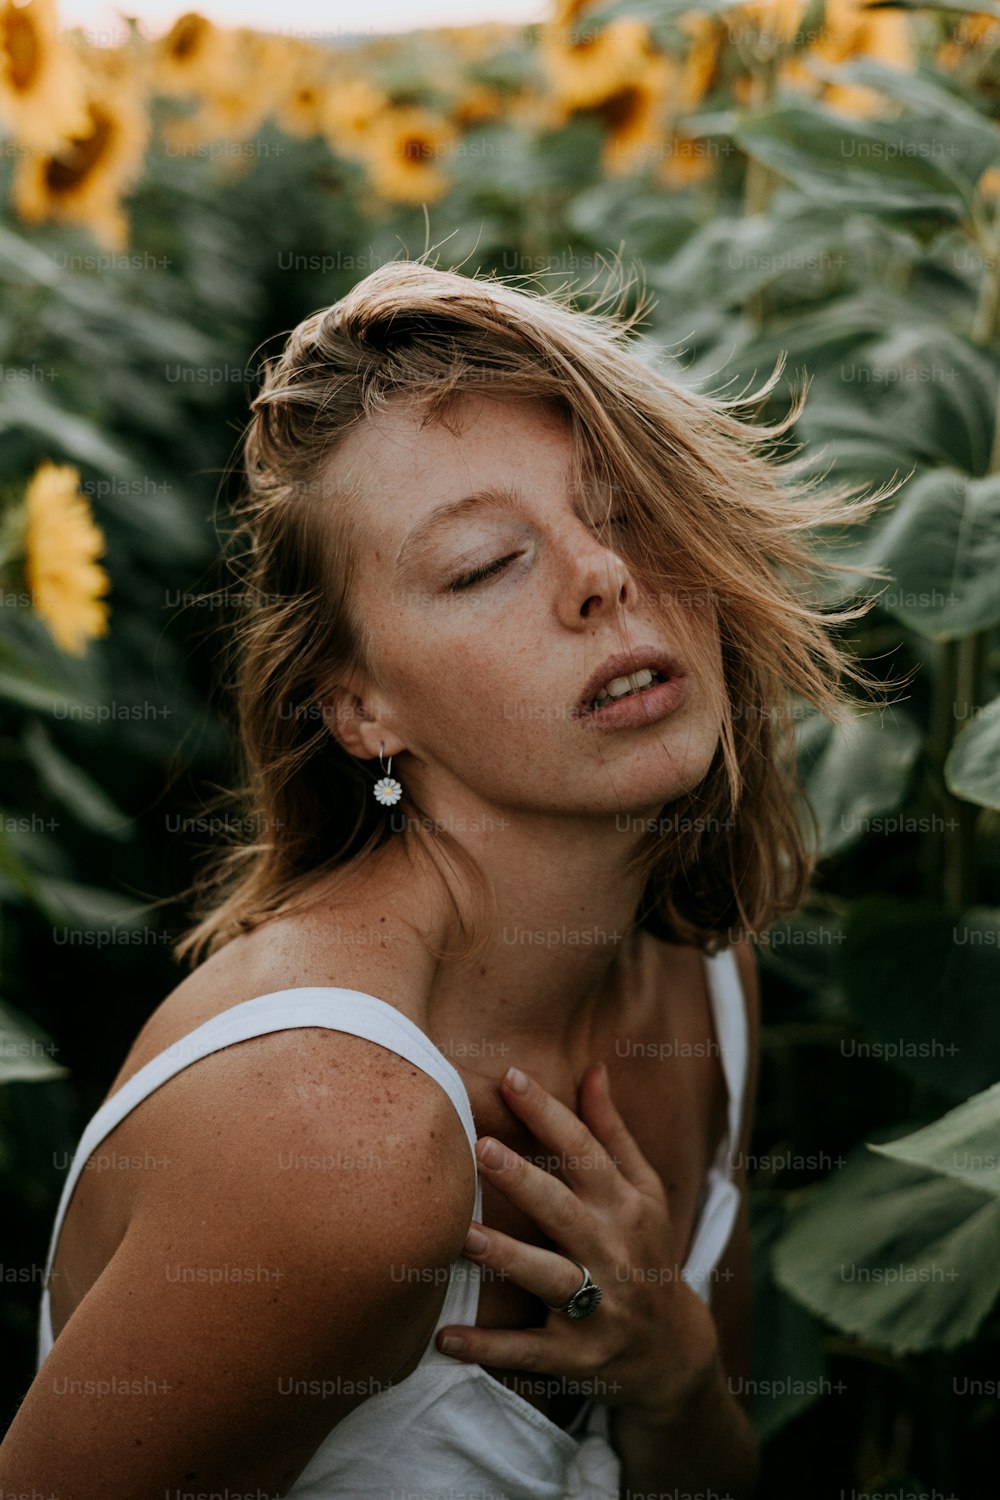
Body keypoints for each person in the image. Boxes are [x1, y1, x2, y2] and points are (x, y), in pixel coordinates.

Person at [0, 258, 877, 1498]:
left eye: (623, 507)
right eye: (480, 566)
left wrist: (674, 1379)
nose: (603, 576)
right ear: (357, 709)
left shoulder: (698, 957)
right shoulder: (336, 1145)